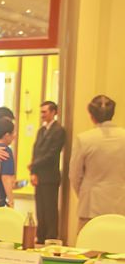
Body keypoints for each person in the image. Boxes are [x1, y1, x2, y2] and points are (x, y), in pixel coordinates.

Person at [69, 95, 125, 231]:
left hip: (91, 205)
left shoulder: (84, 139)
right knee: (117, 242)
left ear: (92, 116)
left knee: (88, 242)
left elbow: (74, 175)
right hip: (120, 203)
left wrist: (84, 192)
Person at [28, 101, 66, 242]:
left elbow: (52, 154)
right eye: (41, 112)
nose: (42, 115)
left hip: (50, 176)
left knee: (50, 209)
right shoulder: (41, 131)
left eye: (45, 112)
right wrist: (33, 172)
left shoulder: (59, 131)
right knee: (40, 209)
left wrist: (34, 164)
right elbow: (36, 151)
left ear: (53, 112)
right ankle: (41, 237)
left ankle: (51, 238)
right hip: (39, 175)